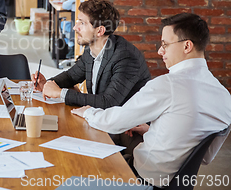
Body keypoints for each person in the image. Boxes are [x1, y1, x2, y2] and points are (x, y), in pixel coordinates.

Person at [72, 13, 231, 187]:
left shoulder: (168, 85)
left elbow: (114, 122)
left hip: (142, 177)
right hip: (177, 182)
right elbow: (205, 156)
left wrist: (87, 111)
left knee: (82, 152)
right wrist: (153, 130)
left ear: (187, 46)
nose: (160, 51)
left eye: (165, 45)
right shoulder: (224, 96)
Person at [32, 0, 150, 108]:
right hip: (101, 119)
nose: (75, 27)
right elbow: (71, 76)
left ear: (100, 31)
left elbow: (108, 102)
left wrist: (59, 93)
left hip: (127, 127)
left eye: (82, 23)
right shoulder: (91, 49)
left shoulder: (126, 57)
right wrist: (47, 84)